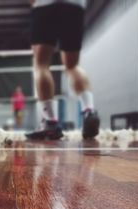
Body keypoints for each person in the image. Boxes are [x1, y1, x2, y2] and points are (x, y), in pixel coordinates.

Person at [26, 0, 100, 140]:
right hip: (74, 5)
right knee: (72, 65)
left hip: (45, 5)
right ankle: (89, 110)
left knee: (41, 64)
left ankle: (50, 122)